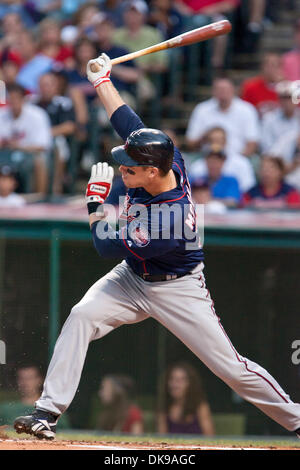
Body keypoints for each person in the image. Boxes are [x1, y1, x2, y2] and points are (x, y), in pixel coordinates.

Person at [13, 53, 300, 440]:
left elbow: (106, 246)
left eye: (129, 168)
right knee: (82, 315)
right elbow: (125, 120)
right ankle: (47, 411)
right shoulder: (167, 157)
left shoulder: (171, 218)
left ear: (151, 171)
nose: (121, 170)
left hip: (176, 287)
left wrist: (97, 207)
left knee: (230, 368)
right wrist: (101, 81)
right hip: (132, 278)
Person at [186, 77, 260, 157]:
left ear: (234, 90)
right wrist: (205, 138)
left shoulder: (247, 109)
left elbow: (252, 143)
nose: (223, 92)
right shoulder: (201, 109)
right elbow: (190, 142)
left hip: (239, 157)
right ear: (213, 91)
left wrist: (238, 161)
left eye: (226, 89)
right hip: (207, 158)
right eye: (219, 89)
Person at [0, 84, 52, 194]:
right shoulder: (2, 114)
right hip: (6, 154)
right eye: (11, 99)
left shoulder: (37, 115)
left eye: (16, 98)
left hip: (30, 155)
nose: (13, 102)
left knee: (40, 159)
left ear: (23, 99)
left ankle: (39, 196)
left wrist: (19, 146)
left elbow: (43, 146)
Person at [33, 72, 76, 194]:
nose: (44, 88)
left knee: (59, 144)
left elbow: (69, 127)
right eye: (42, 85)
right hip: (31, 142)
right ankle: (36, 193)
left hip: (54, 140)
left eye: (48, 85)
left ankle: (56, 188)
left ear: (55, 86)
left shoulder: (63, 103)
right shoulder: (31, 102)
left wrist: (44, 134)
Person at [0, 365, 70, 429]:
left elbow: (66, 434)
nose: (25, 383)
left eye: (30, 378)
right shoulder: (5, 409)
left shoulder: (51, 410)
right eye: (22, 378)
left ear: (39, 380)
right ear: (17, 381)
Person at [188, 126, 256, 193]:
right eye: (212, 140)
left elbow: (247, 189)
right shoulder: (197, 166)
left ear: (225, 142)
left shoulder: (242, 163)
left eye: (219, 140)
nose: (216, 144)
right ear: (207, 143)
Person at [157, 361, 214, 435]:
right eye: (172, 379)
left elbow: (210, 438)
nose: (175, 384)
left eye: (180, 380)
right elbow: (161, 440)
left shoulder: (201, 407)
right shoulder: (164, 408)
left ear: (190, 384)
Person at [260, 81, 300, 167]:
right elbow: (267, 150)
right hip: (275, 164)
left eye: (290, 97)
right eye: (284, 98)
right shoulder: (269, 119)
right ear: (279, 99)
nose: (287, 101)